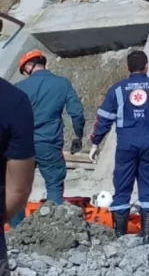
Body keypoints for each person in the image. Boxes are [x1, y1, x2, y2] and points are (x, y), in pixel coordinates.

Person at [90, 49, 149, 247]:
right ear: (147, 66)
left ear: (128, 68)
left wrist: (96, 142)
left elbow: (103, 119)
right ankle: (148, 236)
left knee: (122, 187)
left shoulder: (117, 90)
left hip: (126, 145)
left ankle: (119, 237)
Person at [9, 50, 84, 226]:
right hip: (48, 144)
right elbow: (77, 113)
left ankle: (16, 231)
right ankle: (55, 230)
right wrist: (78, 136)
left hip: (21, 146)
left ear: (28, 66)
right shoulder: (62, 84)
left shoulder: (19, 88)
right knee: (54, 185)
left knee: (18, 188)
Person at [1, 76, 35, 275]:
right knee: (55, 186)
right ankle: (18, 229)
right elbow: (20, 188)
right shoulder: (13, 98)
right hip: (45, 143)